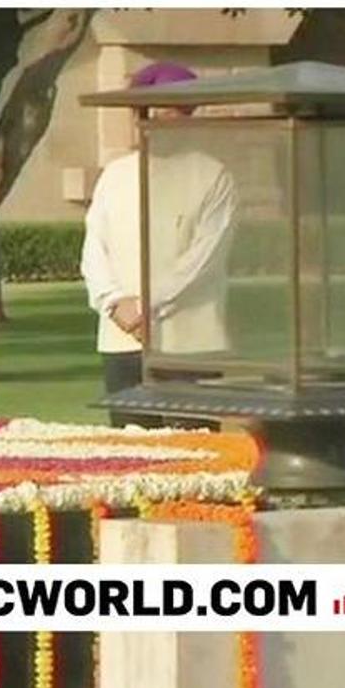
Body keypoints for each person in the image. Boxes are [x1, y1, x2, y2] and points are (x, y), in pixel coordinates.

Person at [80, 62, 237, 428]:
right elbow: (94, 249)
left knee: (195, 446)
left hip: (189, 338)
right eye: (153, 112)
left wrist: (149, 304)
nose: (164, 121)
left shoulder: (212, 175)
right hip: (122, 335)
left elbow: (205, 257)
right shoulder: (115, 175)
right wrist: (114, 301)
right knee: (133, 449)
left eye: (176, 111)